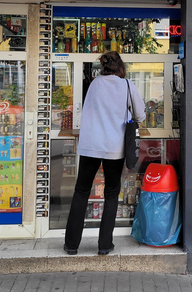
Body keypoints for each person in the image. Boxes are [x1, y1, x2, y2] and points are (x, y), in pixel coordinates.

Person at [64, 51, 145, 256]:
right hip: (114, 147)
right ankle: (104, 245)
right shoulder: (126, 85)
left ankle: (72, 245)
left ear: (103, 66)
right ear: (120, 67)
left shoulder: (94, 84)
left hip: (90, 145)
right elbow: (140, 114)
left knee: (81, 191)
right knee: (111, 194)